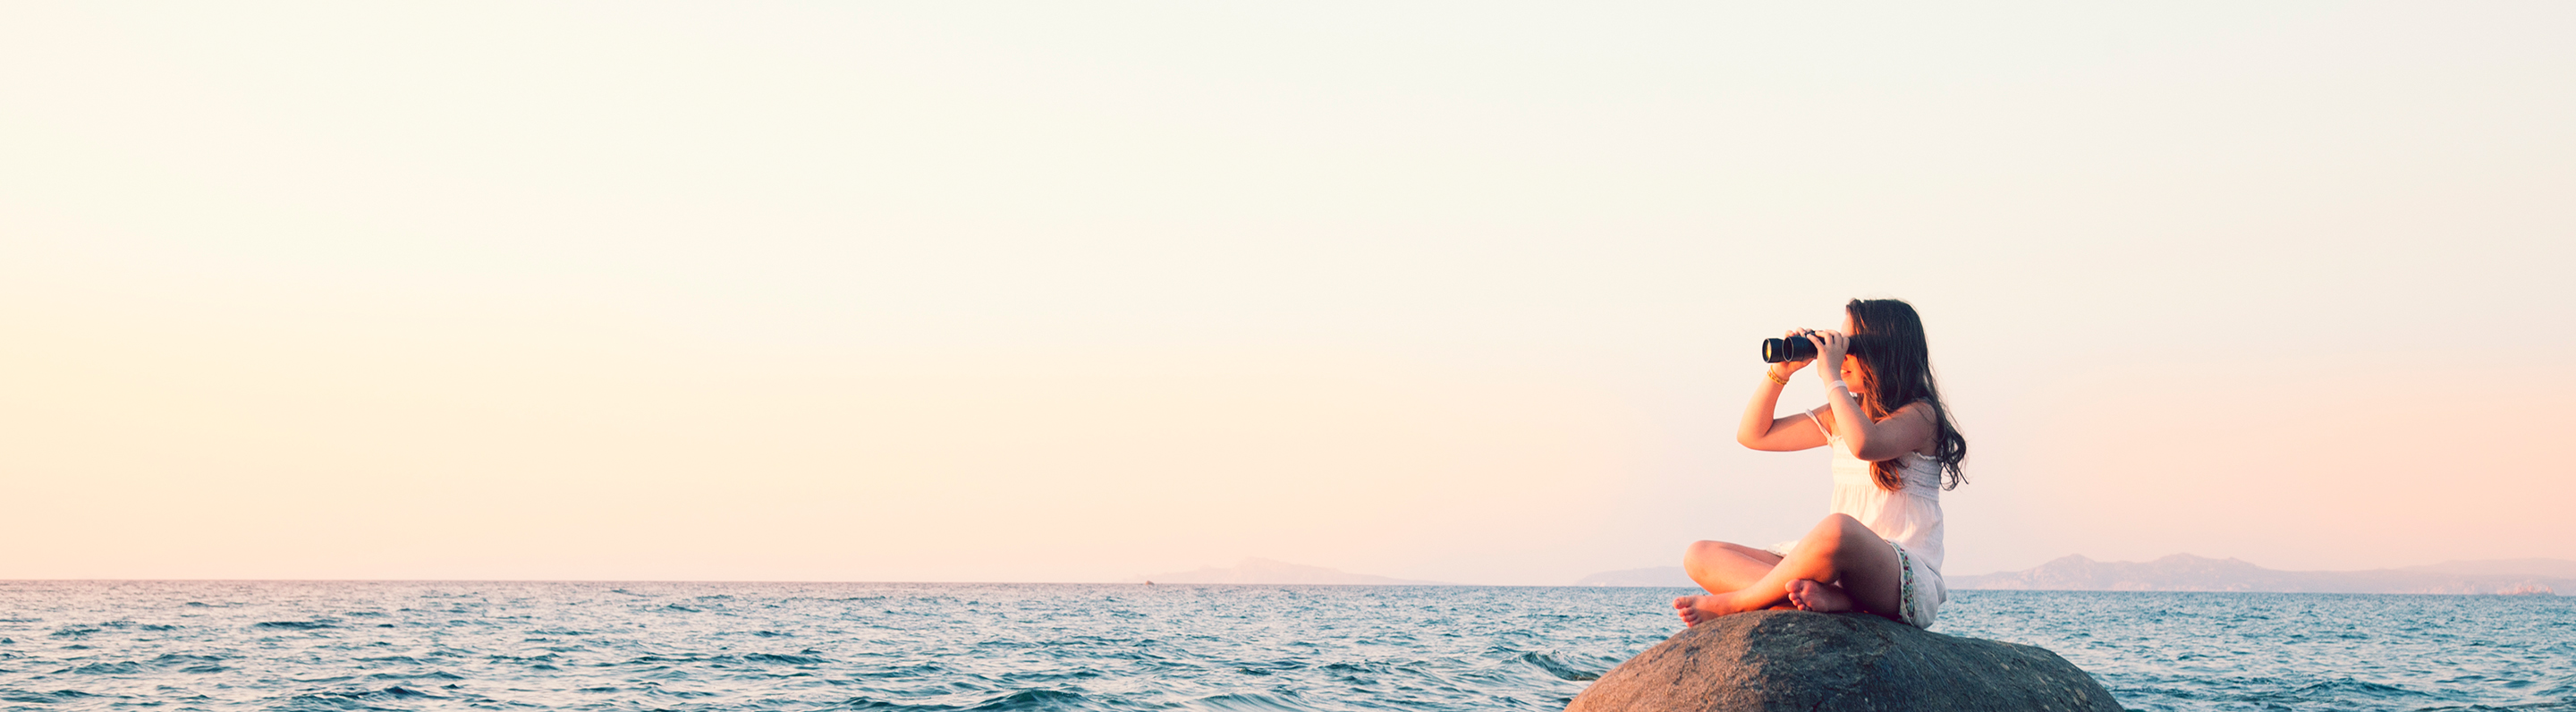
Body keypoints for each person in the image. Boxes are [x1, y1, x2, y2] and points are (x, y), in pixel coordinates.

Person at [1673, 298, 1968, 629]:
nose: (1839, 356)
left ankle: (1740, 603)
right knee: (1700, 555)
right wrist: (1780, 373)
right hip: (1836, 572)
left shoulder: (1921, 416)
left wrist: (1830, 377)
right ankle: (1820, 602)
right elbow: (1754, 435)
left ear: (1885, 352)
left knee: (1838, 529)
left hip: (1897, 576)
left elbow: (1865, 444)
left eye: (1849, 346)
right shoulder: (1840, 416)